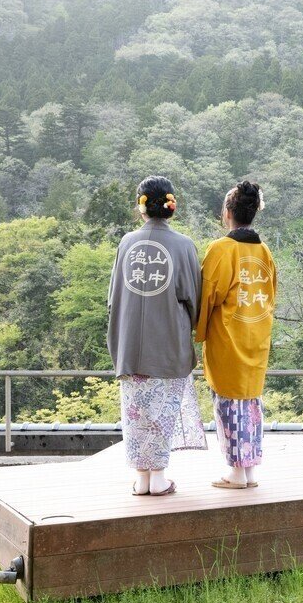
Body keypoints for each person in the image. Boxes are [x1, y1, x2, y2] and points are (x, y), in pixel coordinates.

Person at [107, 176, 206, 496]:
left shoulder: (126, 243)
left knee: (135, 412)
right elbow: (194, 298)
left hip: (131, 345)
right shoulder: (184, 245)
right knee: (162, 411)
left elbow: (113, 298)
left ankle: (142, 479)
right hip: (168, 343)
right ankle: (158, 477)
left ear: (142, 207)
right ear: (170, 206)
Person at [196, 181, 277, 490]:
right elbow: (271, 295)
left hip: (228, 338)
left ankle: (236, 472)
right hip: (256, 336)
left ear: (228, 213)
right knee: (251, 404)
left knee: (229, 404)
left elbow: (207, 295)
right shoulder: (263, 251)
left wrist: (198, 328)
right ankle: (250, 469)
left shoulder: (221, 249)